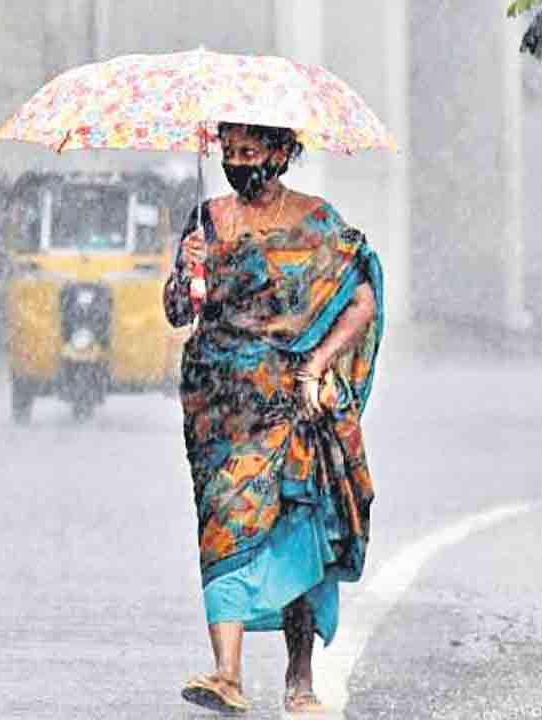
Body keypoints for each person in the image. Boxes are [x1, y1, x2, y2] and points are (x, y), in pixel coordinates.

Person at [163, 123, 383, 715]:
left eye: (250, 152)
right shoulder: (206, 220)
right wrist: (190, 270)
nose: (238, 163)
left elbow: (361, 300)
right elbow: (178, 310)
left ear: (282, 154)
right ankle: (227, 673)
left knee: (296, 530)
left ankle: (300, 676)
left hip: (291, 407)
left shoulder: (316, 224)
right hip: (219, 411)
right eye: (229, 153)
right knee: (223, 529)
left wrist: (315, 366)